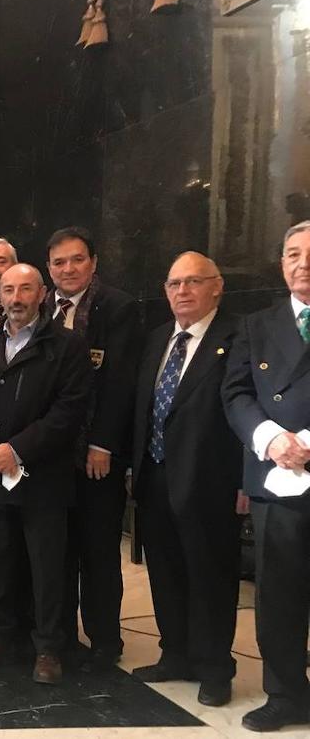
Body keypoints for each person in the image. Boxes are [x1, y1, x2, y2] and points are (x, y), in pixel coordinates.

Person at [0, 264, 90, 685]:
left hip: (43, 476)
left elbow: (68, 411)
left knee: (47, 566)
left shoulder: (66, 345)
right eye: (9, 289)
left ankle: (48, 647)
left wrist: (17, 449)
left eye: (25, 289)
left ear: (41, 293)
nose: (16, 297)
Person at [130, 252, 241, 708]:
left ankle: (215, 668)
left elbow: (240, 409)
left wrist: (243, 481)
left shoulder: (237, 337)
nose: (183, 292)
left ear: (217, 286)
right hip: (155, 475)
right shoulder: (157, 339)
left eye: (194, 282)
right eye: (175, 283)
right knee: (166, 570)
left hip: (211, 481)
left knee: (211, 574)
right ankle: (174, 653)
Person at [222, 221, 310, 733]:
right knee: (277, 593)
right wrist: (271, 440)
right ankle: (286, 693)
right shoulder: (257, 325)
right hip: (276, 477)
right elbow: (235, 394)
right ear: (280, 264)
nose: (302, 263)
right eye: (292, 253)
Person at [44, 226, 139, 668]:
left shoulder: (116, 308)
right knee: (57, 550)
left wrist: (102, 442)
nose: (68, 269)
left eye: (77, 259)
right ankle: (60, 634)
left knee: (99, 550)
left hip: (96, 453)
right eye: (59, 262)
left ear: (94, 262)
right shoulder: (41, 307)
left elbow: (120, 384)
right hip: (51, 456)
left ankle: (105, 641)